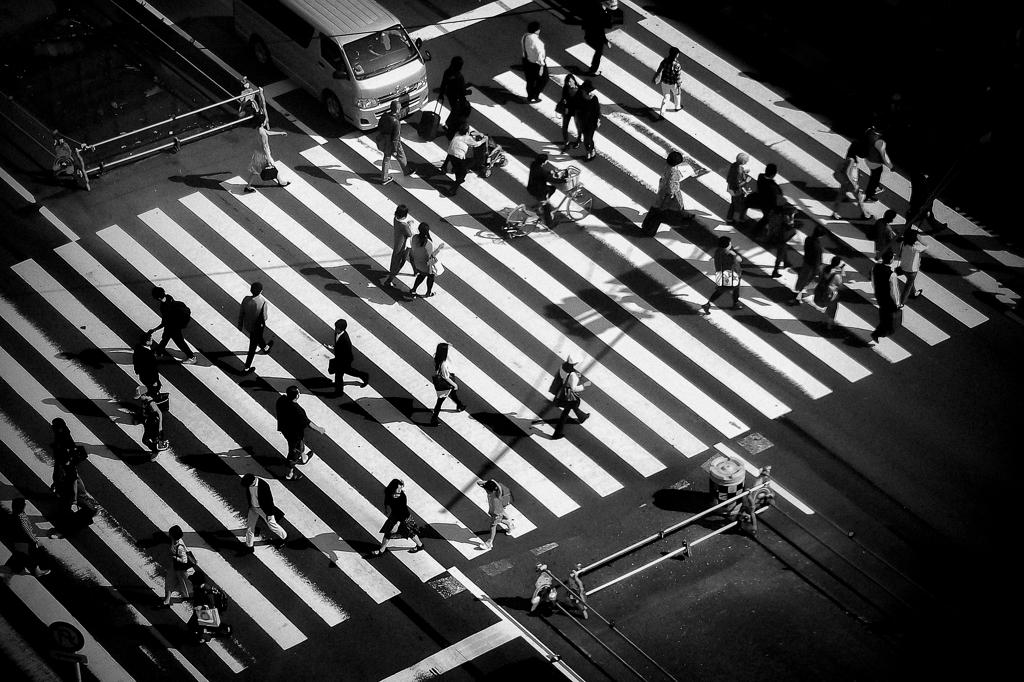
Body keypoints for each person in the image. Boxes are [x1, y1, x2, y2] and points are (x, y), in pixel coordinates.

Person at [275, 385, 325, 480]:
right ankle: (290, 474)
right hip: (295, 434)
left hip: (285, 429)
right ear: (297, 396)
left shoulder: (281, 400)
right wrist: (319, 429)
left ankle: (303, 457)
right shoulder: (298, 410)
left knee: (300, 445)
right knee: (293, 453)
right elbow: (307, 422)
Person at [370, 479, 425, 556]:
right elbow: (388, 503)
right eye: (398, 488)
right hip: (395, 516)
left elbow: (402, 512)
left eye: (400, 488)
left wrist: (397, 524)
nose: (400, 490)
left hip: (403, 518)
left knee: (410, 533)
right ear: (392, 488)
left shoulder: (402, 497)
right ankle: (381, 550)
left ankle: (420, 545)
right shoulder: (388, 493)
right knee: (388, 532)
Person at [243, 111, 290, 193]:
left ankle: (248, 186)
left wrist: (280, 133)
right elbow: (265, 146)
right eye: (265, 120)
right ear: (262, 123)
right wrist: (268, 158)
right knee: (272, 166)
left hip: (257, 152)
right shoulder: (263, 133)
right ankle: (281, 182)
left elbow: (268, 132)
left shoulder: (258, 129)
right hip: (264, 154)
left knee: (256, 170)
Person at [149, 287, 196, 364]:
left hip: (173, 326)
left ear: (159, 298)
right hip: (174, 323)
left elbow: (164, 322)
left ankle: (191, 357)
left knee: (180, 342)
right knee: (165, 338)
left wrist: (155, 329)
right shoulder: (169, 297)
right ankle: (158, 352)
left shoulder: (164, 307)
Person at [241, 474, 287, 551]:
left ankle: (285, 537)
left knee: (272, 525)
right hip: (253, 508)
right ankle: (249, 546)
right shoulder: (249, 484)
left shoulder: (264, 486)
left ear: (253, 481)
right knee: (250, 527)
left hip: (264, 510)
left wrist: (270, 514)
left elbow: (269, 502)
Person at [7, 499, 51, 577]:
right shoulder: (21, 517)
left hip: (18, 539)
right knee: (33, 554)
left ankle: (17, 569)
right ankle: (37, 571)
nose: (25, 505)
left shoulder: (15, 515)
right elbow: (27, 530)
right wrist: (35, 540)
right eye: (24, 504)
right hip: (25, 540)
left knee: (22, 556)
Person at [237, 281, 274, 373]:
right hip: (257, 327)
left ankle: (265, 348)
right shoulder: (262, 303)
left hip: (247, 325)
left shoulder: (245, 299)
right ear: (261, 291)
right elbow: (265, 317)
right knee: (252, 347)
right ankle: (247, 367)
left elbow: (241, 312)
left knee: (259, 337)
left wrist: (240, 324)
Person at [552, 356, 591, 439]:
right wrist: (584, 385)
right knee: (568, 409)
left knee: (569, 408)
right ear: (575, 363)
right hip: (568, 394)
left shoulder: (563, 366)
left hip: (562, 390)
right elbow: (574, 388)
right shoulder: (573, 375)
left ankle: (582, 417)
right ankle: (557, 434)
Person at [701, 236, 744, 314]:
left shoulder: (718, 251)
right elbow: (739, 259)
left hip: (721, 273)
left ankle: (736, 302)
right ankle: (708, 303)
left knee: (733, 289)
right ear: (727, 245)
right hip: (730, 275)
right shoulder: (729, 254)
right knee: (724, 289)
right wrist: (733, 253)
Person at [377, 100, 415, 185]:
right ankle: (406, 171)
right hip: (392, 142)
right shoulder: (396, 123)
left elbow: (379, 126)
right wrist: (394, 149)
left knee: (386, 158)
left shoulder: (384, 116)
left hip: (383, 139)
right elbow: (395, 138)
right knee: (401, 156)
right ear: (397, 110)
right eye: (400, 108)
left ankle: (384, 178)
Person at [329, 319, 369, 398]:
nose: (335, 329)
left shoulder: (345, 340)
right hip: (340, 358)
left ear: (341, 329)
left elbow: (346, 353)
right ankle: (363, 375)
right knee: (349, 371)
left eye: (336, 328)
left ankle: (339, 392)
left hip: (344, 360)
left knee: (339, 375)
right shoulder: (337, 333)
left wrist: (340, 362)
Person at [442, 123, 486, 197]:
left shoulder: (457, 134)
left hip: (450, 154)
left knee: (454, 164)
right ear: (467, 132)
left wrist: (478, 133)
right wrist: (484, 139)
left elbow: (469, 134)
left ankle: (444, 168)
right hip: (458, 157)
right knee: (462, 173)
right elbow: (476, 144)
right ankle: (453, 189)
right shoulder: (467, 138)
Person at [156, 525, 193, 608]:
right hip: (175, 566)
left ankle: (168, 600)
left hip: (180, 568)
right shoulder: (175, 541)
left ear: (173, 535)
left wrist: (175, 557)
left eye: (170, 533)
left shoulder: (179, 547)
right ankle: (167, 601)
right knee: (170, 581)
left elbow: (184, 560)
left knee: (185, 583)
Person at [430, 342, 467, 426]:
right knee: (440, 402)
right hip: (445, 383)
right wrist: (454, 384)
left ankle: (459, 405)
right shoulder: (443, 364)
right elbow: (445, 377)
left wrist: (448, 345)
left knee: (453, 393)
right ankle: (434, 419)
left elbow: (449, 346)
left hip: (448, 378)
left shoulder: (436, 356)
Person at [831, 141, 869, 220]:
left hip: (846, 182)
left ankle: (834, 212)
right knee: (858, 198)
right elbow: (847, 172)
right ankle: (864, 214)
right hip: (850, 182)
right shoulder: (851, 160)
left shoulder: (849, 157)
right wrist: (853, 183)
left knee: (840, 197)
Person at [789, 225, 827, 304]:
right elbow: (817, 259)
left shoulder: (808, 239)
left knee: (802, 279)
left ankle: (798, 293)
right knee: (806, 281)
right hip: (812, 266)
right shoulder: (817, 246)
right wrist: (817, 271)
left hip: (806, 262)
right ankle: (797, 297)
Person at [528, 154, 567, 229]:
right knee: (547, 208)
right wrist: (564, 180)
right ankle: (550, 224)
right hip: (539, 191)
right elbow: (551, 180)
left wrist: (550, 172)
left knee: (552, 188)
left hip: (532, 187)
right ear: (544, 162)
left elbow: (543, 175)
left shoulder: (534, 165)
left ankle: (541, 203)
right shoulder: (541, 172)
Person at [384, 205, 417, 288]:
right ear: (405, 215)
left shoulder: (395, 219)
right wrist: (410, 225)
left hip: (399, 243)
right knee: (400, 262)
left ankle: (415, 271)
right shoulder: (404, 225)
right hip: (404, 245)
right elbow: (410, 234)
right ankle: (389, 279)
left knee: (409, 256)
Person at [477, 479, 515, 550]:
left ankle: (490, 543)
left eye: (487, 490)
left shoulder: (497, 494)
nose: (487, 491)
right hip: (494, 511)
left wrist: (494, 482)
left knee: (493, 526)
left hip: (497, 513)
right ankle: (510, 525)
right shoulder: (489, 490)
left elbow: (500, 488)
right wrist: (489, 482)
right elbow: (478, 482)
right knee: (499, 521)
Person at [906, 169, 948, 233]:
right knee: (916, 216)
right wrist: (928, 209)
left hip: (915, 200)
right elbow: (928, 197)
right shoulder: (926, 183)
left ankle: (937, 227)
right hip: (922, 204)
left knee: (917, 215)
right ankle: (906, 230)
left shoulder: (915, 175)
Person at [655, 151, 693, 221]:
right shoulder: (674, 172)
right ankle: (682, 216)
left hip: (663, 187)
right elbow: (673, 183)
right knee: (677, 204)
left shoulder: (667, 167)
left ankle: (662, 212)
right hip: (672, 191)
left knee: (662, 201)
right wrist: (672, 193)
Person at [870, 257, 901, 344]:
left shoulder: (876, 267)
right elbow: (894, 291)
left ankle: (884, 330)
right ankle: (878, 333)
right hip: (888, 298)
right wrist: (897, 303)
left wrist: (876, 290)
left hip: (879, 294)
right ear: (891, 260)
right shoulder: (892, 275)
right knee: (888, 316)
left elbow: (873, 281)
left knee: (884, 312)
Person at [439, 56, 471, 138]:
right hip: (458, 97)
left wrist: (441, 94)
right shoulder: (459, 77)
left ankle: (450, 124)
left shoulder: (447, 72)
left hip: (450, 95)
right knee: (459, 111)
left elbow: (443, 84)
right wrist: (468, 92)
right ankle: (450, 124)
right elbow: (462, 89)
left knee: (454, 109)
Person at [408, 223, 441, 298]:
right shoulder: (429, 243)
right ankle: (428, 292)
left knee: (422, 275)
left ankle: (414, 289)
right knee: (431, 276)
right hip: (425, 264)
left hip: (417, 262)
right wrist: (439, 248)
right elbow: (431, 256)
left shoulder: (415, 238)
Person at [765, 205, 798, 278]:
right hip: (779, 237)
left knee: (784, 247)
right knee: (780, 253)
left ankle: (786, 262)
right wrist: (792, 216)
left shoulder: (772, 215)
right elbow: (791, 225)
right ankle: (775, 271)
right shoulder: (784, 217)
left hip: (772, 235)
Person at [813, 257, 845, 329]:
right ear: (838, 265)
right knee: (833, 308)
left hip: (819, 293)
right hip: (829, 296)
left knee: (829, 307)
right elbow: (840, 284)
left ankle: (824, 320)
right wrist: (842, 271)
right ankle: (829, 326)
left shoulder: (822, 268)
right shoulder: (836, 276)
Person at [898, 228, 928, 305]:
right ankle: (901, 303)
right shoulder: (916, 248)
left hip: (903, 267)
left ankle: (914, 292)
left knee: (910, 282)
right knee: (907, 287)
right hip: (912, 270)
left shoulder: (903, 244)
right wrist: (920, 239)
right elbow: (926, 245)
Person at [581, 1, 612, 76]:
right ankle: (593, 69)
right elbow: (600, 30)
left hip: (590, 34)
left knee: (599, 51)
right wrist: (606, 41)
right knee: (599, 50)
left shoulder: (598, 9)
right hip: (593, 35)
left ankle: (593, 68)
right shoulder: (600, 13)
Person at [862, 126, 892, 202]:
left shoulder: (869, 131)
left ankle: (875, 187)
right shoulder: (879, 141)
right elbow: (884, 155)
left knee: (874, 176)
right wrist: (890, 166)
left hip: (868, 158)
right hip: (875, 162)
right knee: (874, 178)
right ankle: (868, 195)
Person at [572, 80, 601, 161]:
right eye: (588, 91)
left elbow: (597, 111)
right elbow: (575, 106)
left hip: (591, 122)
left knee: (588, 138)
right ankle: (587, 151)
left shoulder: (594, 99)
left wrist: (597, 120)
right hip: (581, 120)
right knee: (585, 137)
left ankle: (591, 149)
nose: (590, 93)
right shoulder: (579, 97)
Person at [652, 46, 683, 119]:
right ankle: (677, 107)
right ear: (676, 55)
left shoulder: (665, 61)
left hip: (665, 82)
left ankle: (662, 113)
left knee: (666, 97)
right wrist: (679, 83)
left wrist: (656, 77)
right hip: (673, 83)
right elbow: (677, 76)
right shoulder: (677, 65)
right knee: (677, 94)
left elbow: (659, 70)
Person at [521, 22, 547, 103]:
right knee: (543, 79)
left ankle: (530, 95)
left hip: (527, 61)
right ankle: (535, 94)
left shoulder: (525, 37)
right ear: (537, 31)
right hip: (536, 64)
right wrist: (542, 67)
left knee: (530, 80)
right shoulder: (537, 42)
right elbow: (540, 54)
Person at [754, 164, 783, 232]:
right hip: (769, 205)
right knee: (767, 218)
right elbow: (778, 195)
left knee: (766, 217)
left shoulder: (760, 176)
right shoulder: (773, 186)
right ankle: (755, 231)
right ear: (774, 174)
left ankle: (755, 231)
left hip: (761, 200)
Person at [725, 152, 752, 225]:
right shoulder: (738, 171)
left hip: (732, 189)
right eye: (746, 160)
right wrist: (746, 181)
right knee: (744, 204)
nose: (747, 161)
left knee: (733, 204)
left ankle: (729, 219)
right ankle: (741, 220)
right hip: (738, 191)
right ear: (743, 162)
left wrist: (744, 172)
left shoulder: (734, 165)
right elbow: (738, 184)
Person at [133, 333, 161, 398]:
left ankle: (143, 393)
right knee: (155, 388)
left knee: (151, 388)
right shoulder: (149, 354)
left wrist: (137, 370)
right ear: (147, 342)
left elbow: (135, 360)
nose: (152, 340)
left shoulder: (138, 349)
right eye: (151, 339)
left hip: (142, 375)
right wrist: (155, 380)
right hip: (149, 377)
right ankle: (141, 392)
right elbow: (153, 368)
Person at [557, 74, 580, 151]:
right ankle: (566, 142)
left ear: (574, 80)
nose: (569, 84)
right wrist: (563, 101)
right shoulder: (565, 89)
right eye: (567, 82)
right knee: (564, 127)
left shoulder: (580, 89)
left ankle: (578, 140)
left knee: (579, 127)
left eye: (570, 82)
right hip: (568, 110)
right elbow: (563, 97)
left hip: (577, 110)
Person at [139, 393, 166, 458]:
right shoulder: (146, 401)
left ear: (144, 395)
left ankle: (155, 451)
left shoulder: (152, 404)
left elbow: (159, 414)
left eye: (140, 396)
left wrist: (160, 427)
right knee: (146, 440)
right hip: (149, 424)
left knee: (148, 440)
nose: (139, 398)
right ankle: (155, 450)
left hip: (153, 425)